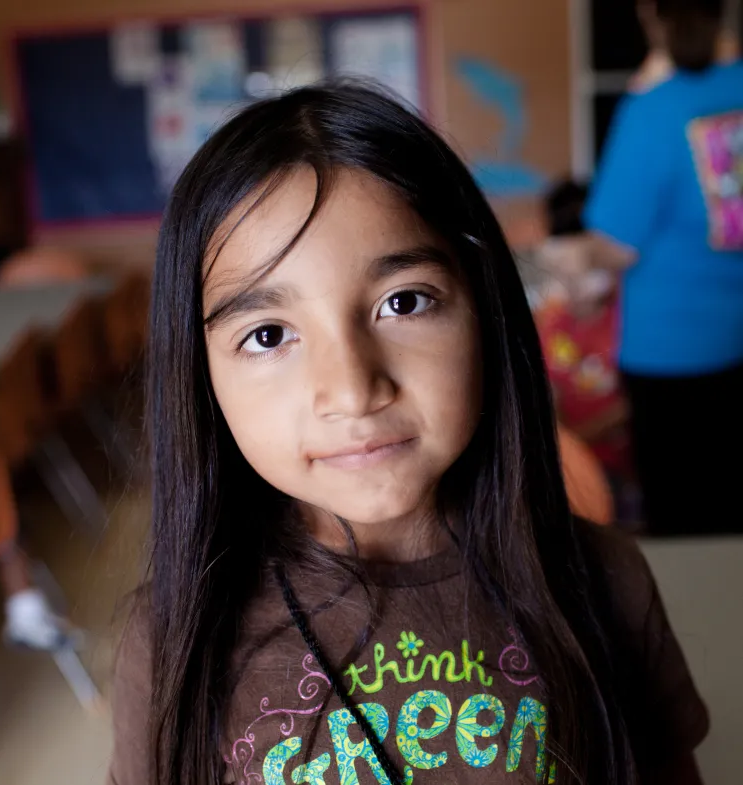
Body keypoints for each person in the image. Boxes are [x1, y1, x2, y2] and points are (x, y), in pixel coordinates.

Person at [108, 84, 708, 785]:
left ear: (484, 314)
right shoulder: (171, 637)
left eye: (404, 301)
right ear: (199, 373)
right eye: (268, 334)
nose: (354, 389)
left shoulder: (603, 581)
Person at [558, 0, 743, 536]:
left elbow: (615, 244)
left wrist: (571, 262)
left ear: (646, 15)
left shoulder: (655, 110)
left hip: (673, 352)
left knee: (686, 517)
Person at [535, 180, 635, 514]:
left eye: (584, 270)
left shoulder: (634, 317)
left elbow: (632, 405)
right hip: (567, 467)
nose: (572, 285)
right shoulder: (548, 319)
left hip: (621, 470)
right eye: (562, 271)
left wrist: (578, 439)